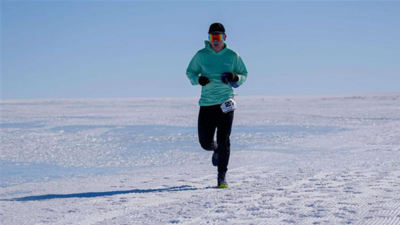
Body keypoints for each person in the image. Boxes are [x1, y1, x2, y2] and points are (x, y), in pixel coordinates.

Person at [186, 22, 248, 188]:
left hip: (225, 103)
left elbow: (244, 74)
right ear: (209, 38)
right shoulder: (201, 55)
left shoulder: (232, 56)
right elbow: (190, 72)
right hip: (207, 104)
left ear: (224, 38)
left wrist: (235, 77)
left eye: (218, 37)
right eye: (212, 36)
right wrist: (198, 79)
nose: (215, 40)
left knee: (224, 139)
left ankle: (222, 177)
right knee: (205, 143)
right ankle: (215, 149)